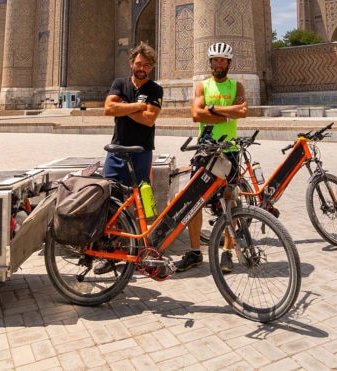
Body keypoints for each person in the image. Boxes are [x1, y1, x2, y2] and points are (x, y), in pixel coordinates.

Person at [176, 41, 249, 274]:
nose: (219, 64)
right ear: (210, 63)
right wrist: (228, 114)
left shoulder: (237, 86)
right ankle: (195, 252)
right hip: (205, 151)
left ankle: (227, 252)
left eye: (223, 60)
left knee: (230, 201)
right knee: (195, 203)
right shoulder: (202, 86)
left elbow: (243, 111)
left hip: (229, 151)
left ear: (228, 63)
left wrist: (214, 110)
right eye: (215, 60)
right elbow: (196, 115)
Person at [102, 42, 163, 187]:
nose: (142, 68)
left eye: (147, 65)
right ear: (131, 63)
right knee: (109, 193)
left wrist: (122, 107)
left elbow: (149, 119)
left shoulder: (155, 89)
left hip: (141, 152)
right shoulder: (120, 84)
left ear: (152, 67)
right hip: (117, 150)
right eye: (139, 64)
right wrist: (138, 106)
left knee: (142, 197)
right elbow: (108, 109)